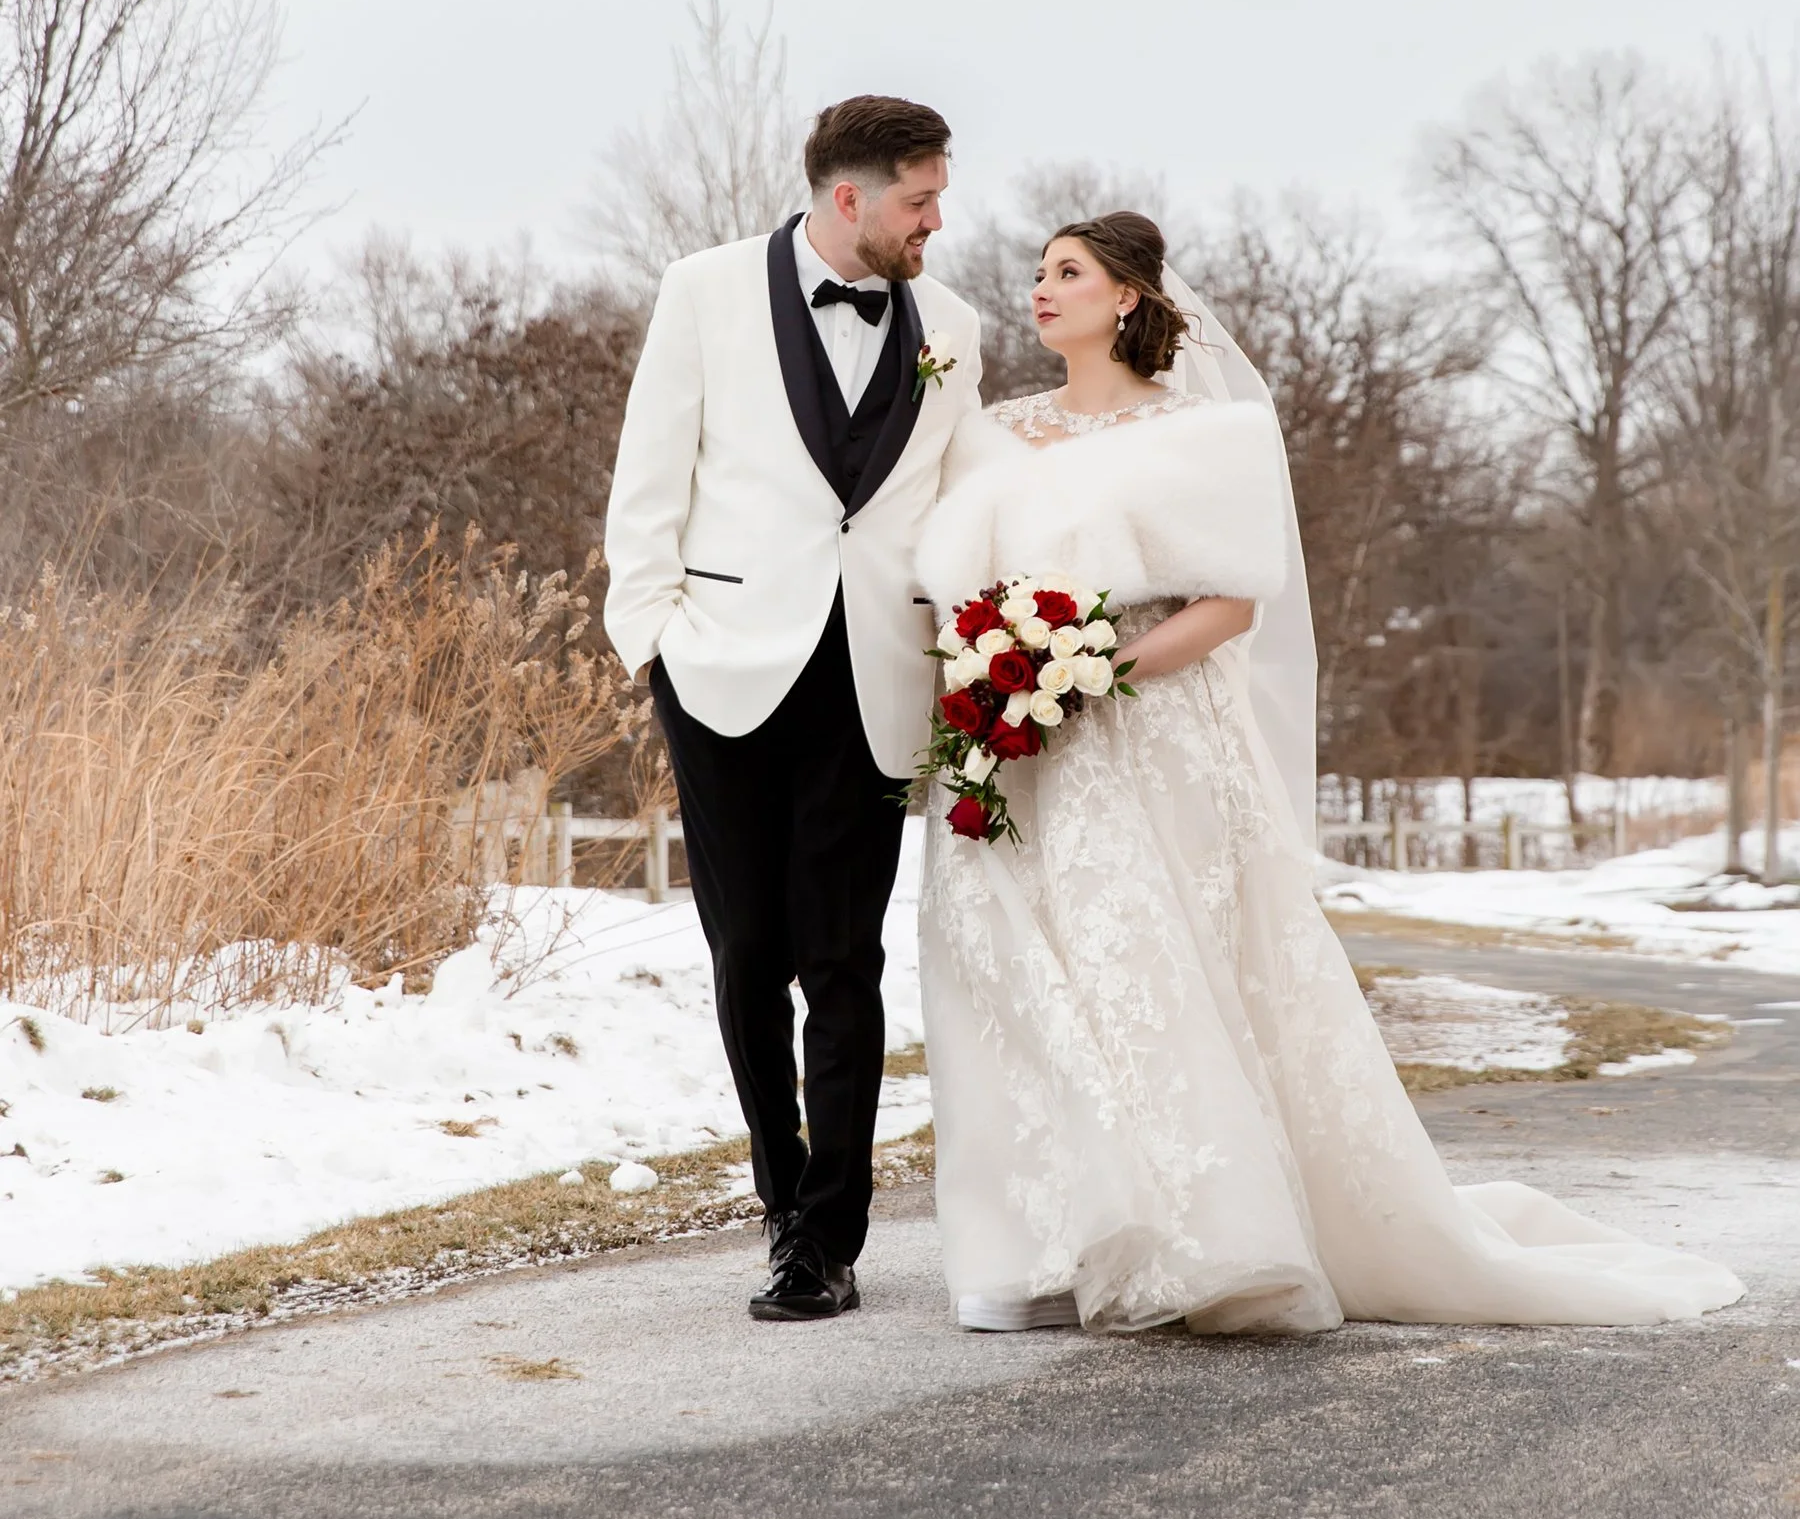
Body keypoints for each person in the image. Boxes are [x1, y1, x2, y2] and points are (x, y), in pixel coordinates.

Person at [915, 210, 1742, 1336]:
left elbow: (1231, 604)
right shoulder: (995, 434)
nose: (1040, 289)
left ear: (1129, 296)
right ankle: (1055, 1241)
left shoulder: (1207, 432)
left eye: (1069, 272)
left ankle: (1207, 1232)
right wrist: (997, 679)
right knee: (1026, 977)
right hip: (1014, 743)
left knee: (1151, 966)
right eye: (1038, 273)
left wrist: (1094, 673)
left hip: (1147, 730)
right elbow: (951, 582)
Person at [604, 95, 982, 1320]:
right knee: (748, 958)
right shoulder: (703, 291)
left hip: (879, 678)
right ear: (849, 197)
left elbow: (964, 503)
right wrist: (653, 645)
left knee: (844, 959)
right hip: (720, 668)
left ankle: (827, 1235)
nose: (936, 222)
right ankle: (782, 1199)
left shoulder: (954, 328)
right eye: (920, 200)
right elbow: (648, 481)